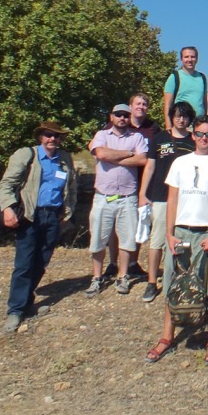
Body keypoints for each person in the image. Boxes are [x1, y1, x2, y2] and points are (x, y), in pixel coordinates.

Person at [145, 115, 208, 365]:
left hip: (207, 232)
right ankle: (167, 336)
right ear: (193, 135)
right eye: (200, 133)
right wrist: (169, 233)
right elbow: (172, 199)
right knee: (173, 284)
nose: (204, 138)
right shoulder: (180, 163)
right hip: (181, 232)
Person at [0, 121, 78, 333]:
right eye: (48, 135)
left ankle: (27, 302)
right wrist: (7, 208)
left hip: (53, 217)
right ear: (40, 136)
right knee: (24, 263)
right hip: (30, 215)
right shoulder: (27, 155)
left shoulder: (64, 158)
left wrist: (68, 211)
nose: (52, 139)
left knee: (41, 262)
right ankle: (15, 310)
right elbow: (7, 184)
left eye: (57, 136)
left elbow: (71, 187)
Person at [86, 104, 148, 296]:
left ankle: (123, 276)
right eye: (118, 114)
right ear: (111, 116)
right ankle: (97, 277)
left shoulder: (137, 137)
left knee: (127, 240)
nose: (122, 118)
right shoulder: (102, 135)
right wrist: (129, 153)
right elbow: (101, 153)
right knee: (98, 239)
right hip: (103, 196)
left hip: (128, 197)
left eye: (125, 115)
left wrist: (111, 156)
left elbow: (142, 160)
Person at [138, 101, 196, 303]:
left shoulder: (193, 140)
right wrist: (143, 193)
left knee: (182, 239)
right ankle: (152, 281)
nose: (181, 120)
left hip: (186, 198)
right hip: (161, 197)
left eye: (185, 116)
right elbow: (150, 167)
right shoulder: (159, 138)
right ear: (171, 117)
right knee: (157, 240)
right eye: (178, 115)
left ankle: (180, 277)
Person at [163, 46, 208, 131]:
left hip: (199, 125)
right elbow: (167, 105)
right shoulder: (174, 77)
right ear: (181, 59)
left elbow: (204, 103)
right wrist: (168, 126)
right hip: (181, 124)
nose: (190, 60)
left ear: (197, 59)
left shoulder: (202, 78)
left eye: (192, 57)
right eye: (186, 57)